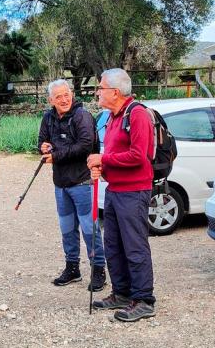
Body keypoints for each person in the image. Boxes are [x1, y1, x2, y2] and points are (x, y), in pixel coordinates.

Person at [86, 68, 157, 322]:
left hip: (134, 192)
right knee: (113, 246)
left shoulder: (137, 114)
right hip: (115, 190)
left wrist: (103, 159)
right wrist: (102, 168)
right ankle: (122, 293)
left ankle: (144, 300)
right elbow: (116, 155)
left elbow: (138, 156)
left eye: (101, 88)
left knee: (135, 247)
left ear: (115, 92)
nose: (97, 92)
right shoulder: (113, 117)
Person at [38, 79, 106, 291]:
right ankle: (72, 268)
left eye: (66, 95)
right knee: (67, 228)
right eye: (58, 97)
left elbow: (85, 145)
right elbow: (41, 141)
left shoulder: (81, 116)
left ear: (72, 94)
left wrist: (56, 155)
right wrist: (43, 147)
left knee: (89, 228)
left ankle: (98, 270)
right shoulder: (48, 118)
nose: (64, 100)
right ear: (51, 100)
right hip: (61, 183)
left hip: (83, 182)